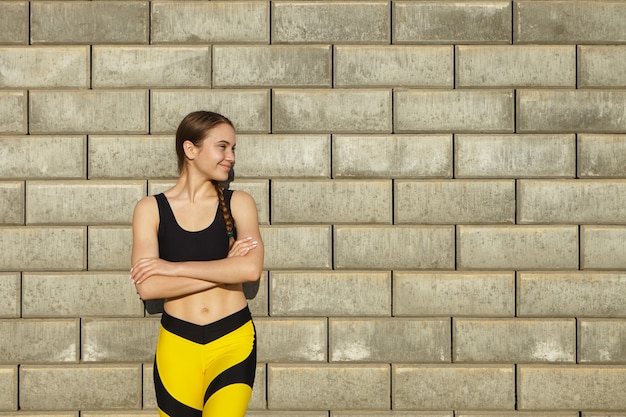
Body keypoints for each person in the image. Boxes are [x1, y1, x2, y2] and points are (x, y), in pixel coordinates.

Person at [129, 110, 264, 417]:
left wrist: (172, 267)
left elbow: (250, 269)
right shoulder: (150, 209)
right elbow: (149, 287)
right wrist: (224, 268)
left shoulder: (239, 202)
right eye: (222, 147)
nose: (230, 156)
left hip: (233, 342)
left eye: (233, 149)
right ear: (191, 149)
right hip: (177, 344)